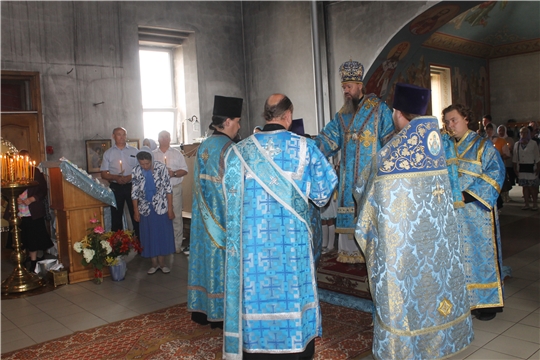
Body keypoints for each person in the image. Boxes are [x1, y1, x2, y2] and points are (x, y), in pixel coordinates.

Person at [354, 83, 473, 359]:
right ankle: (445, 338)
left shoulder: (390, 155)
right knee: (435, 285)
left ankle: (406, 346)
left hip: (405, 246)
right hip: (439, 240)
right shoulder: (442, 144)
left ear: (399, 113)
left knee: (407, 290)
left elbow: (365, 191)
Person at [222, 94, 338, 359]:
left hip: (254, 253)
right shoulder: (305, 148)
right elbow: (323, 195)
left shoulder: (239, 151)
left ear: (267, 116)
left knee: (256, 295)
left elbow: (229, 202)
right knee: (293, 292)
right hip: (290, 249)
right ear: (288, 116)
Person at [315, 59, 394, 264]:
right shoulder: (342, 116)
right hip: (348, 182)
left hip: (372, 179)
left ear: (360, 85)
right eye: (343, 87)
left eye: (348, 87)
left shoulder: (379, 110)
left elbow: (390, 144)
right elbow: (326, 140)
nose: (345, 91)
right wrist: (305, 147)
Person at [443, 104, 505, 321]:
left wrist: (468, 195)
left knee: (480, 256)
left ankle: (485, 304)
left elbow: (497, 172)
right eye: (447, 122)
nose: (451, 125)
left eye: (454, 120)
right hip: (453, 214)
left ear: (466, 119)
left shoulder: (482, 146)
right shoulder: (444, 147)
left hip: (477, 212)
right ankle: (461, 302)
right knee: (457, 257)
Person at [187, 95, 243, 329]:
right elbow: (235, 189)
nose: (240, 126)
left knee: (204, 263)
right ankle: (221, 314)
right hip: (222, 223)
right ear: (228, 121)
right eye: (238, 121)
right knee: (221, 264)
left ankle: (202, 311)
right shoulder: (230, 149)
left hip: (202, 221)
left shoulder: (204, 146)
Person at [131, 148, 175, 274]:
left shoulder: (161, 169)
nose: (145, 166)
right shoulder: (136, 171)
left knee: (161, 234)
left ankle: (162, 263)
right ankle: (153, 263)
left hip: (161, 207)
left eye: (147, 164)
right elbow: (134, 193)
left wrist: (170, 208)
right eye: (142, 164)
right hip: (145, 208)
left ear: (152, 160)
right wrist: (136, 210)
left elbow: (168, 189)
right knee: (149, 234)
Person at [14, 150, 54, 272]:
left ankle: (33, 261)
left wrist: (32, 198)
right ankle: (23, 259)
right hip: (19, 211)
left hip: (33, 210)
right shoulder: (13, 172)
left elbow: (42, 190)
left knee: (33, 237)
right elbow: (6, 189)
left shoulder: (35, 172)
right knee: (22, 236)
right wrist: (15, 198)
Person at [153, 130, 188, 253]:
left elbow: (185, 170)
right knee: (159, 217)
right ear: (158, 139)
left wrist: (173, 173)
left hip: (174, 189)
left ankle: (176, 245)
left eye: (167, 136)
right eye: (162, 136)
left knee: (176, 216)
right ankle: (162, 243)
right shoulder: (153, 155)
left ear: (170, 138)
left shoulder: (177, 153)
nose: (164, 139)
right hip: (158, 191)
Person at [101, 127, 140, 239]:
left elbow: (140, 170)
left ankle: (139, 242)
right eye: (119, 134)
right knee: (116, 216)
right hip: (116, 187)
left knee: (135, 214)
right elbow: (104, 173)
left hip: (132, 186)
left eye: (124, 134)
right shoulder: (108, 153)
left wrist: (129, 176)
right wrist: (115, 177)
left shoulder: (134, 151)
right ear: (113, 136)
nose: (122, 137)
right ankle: (118, 245)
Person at [513, 127, 540, 211]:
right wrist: (515, 168)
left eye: (525, 133)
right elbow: (515, 157)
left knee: (532, 187)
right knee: (525, 187)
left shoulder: (533, 143)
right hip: (521, 167)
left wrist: (538, 168)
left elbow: (537, 156)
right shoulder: (517, 144)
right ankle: (526, 203)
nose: (523, 134)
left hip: (531, 166)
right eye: (521, 133)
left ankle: (535, 203)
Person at [486, 123, 510, 210]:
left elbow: (507, 154)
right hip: (487, 168)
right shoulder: (484, 141)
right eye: (487, 129)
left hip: (498, 167)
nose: (488, 131)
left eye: (490, 129)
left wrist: (499, 156)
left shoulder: (501, 141)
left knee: (497, 186)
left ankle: (499, 205)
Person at [498, 125, 516, 202]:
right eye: (499, 130)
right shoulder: (496, 140)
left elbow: (513, 151)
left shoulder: (509, 139)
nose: (501, 132)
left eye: (502, 130)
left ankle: (506, 196)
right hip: (499, 163)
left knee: (507, 180)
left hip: (507, 162)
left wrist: (510, 149)